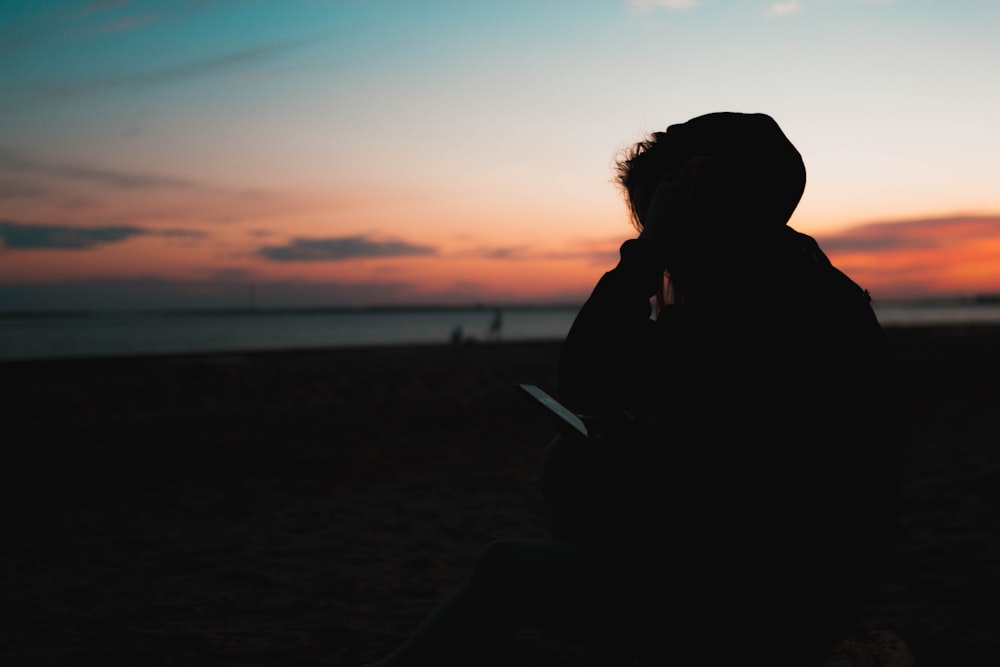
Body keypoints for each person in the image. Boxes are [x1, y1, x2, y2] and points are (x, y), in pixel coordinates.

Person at [363, 112, 905, 667]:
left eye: (666, 223)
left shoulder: (770, 299)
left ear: (710, 201)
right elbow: (742, 447)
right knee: (575, 461)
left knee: (507, 569)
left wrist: (648, 248)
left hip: (777, 592)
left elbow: (588, 376)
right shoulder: (783, 279)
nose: (668, 253)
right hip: (778, 560)